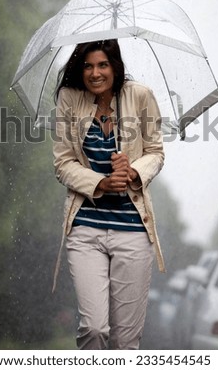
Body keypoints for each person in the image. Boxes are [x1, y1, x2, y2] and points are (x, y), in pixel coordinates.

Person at [53, 39, 165, 350]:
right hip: (85, 227)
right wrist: (100, 184)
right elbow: (62, 164)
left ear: (115, 66)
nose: (95, 73)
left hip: (132, 229)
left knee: (124, 341)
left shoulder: (139, 96)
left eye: (102, 64)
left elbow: (155, 152)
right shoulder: (70, 97)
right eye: (88, 65)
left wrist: (133, 172)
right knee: (94, 328)